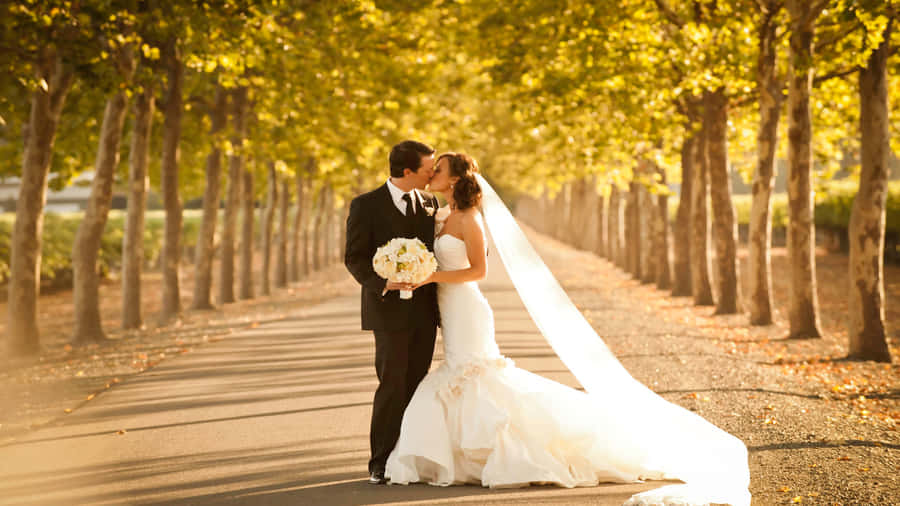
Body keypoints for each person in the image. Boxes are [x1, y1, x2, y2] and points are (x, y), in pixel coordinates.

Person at [384, 152, 751, 506]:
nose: (431, 174)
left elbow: (478, 271)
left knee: (473, 375)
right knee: (460, 376)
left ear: (457, 179)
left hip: (467, 307)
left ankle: (521, 450)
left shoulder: (469, 220)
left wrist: (430, 275)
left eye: (439, 169)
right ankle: (462, 456)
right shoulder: (441, 215)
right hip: (447, 307)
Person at [343, 140, 441, 485]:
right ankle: (380, 461)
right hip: (386, 312)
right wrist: (383, 282)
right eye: (428, 168)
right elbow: (354, 257)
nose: (433, 173)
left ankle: (409, 457)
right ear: (407, 171)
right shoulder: (365, 205)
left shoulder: (431, 202)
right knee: (392, 384)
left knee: (416, 385)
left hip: (425, 313)